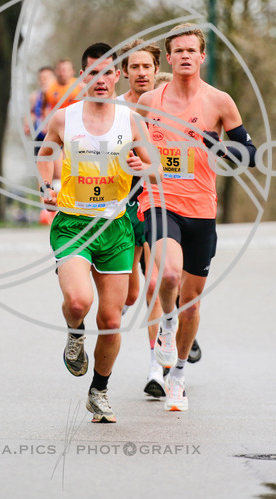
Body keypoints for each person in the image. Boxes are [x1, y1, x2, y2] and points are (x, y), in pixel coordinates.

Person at [137, 24, 257, 412]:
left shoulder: (219, 102)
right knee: (169, 274)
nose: (186, 56)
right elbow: (128, 147)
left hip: (201, 210)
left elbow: (250, 154)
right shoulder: (149, 102)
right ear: (169, 59)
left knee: (191, 304)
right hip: (159, 202)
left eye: (192, 50)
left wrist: (218, 149)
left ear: (202, 57)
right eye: (179, 51)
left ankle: (178, 376)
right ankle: (166, 327)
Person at [37, 42, 159, 423]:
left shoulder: (130, 120)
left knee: (110, 321)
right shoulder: (65, 118)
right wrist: (46, 187)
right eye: (93, 73)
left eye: (107, 72)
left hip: (116, 228)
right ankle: (75, 332)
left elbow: (155, 167)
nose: (101, 80)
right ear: (82, 77)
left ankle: (99, 391)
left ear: (117, 75)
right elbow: (45, 153)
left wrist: (142, 165)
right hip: (73, 224)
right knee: (78, 302)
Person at [115, 40, 168, 397]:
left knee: (155, 287)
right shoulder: (114, 108)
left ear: (156, 69)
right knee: (130, 294)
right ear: (124, 72)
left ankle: (156, 369)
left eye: (147, 66)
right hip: (121, 205)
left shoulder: (167, 106)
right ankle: (174, 324)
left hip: (160, 200)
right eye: (134, 67)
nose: (141, 73)